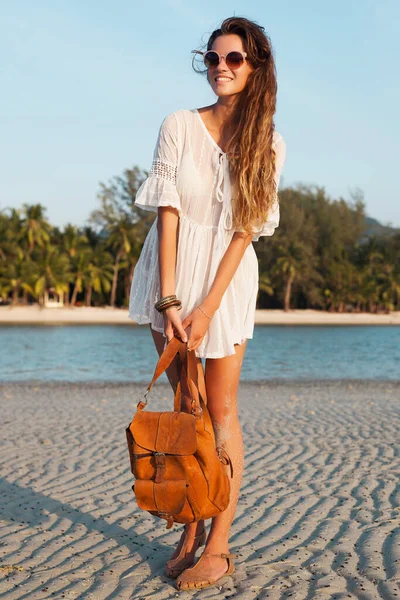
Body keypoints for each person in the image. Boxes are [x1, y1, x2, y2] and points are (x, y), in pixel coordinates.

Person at [128, 16, 286, 591]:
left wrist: (206, 308)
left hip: (225, 282)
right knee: (183, 406)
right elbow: (168, 212)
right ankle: (189, 525)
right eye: (213, 58)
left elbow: (245, 232)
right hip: (170, 274)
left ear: (256, 67)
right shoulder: (178, 125)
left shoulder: (269, 143)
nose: (221, 67)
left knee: (219, 410)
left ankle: (218, 544)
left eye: (234, 59)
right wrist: (170, 299)